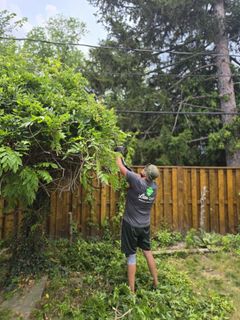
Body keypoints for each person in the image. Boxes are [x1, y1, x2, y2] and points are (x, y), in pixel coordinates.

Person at [116, 155, 160, 293]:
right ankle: (156, 282)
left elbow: (120, 167)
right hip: (144, 226)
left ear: (145, 173)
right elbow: (136, 180)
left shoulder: (137, 181)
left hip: (131, 225)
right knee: (147, 252)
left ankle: (131, 291)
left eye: (145, 169)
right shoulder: (154, 187)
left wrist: (118, 153)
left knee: (132, 256)